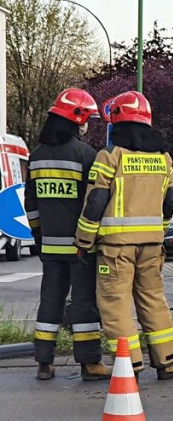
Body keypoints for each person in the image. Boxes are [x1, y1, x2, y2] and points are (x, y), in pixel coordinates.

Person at [74, 91, 173, 379]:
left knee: (116, 303)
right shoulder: (163, 158)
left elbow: (96, 201)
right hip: (152, 246)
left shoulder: (109, 156)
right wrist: (159, 231)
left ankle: (130, 364)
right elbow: (170, 200)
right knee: (153, 300)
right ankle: (167, 361)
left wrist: (83, 241)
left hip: (115, 247)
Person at [23, 89, 109, 382]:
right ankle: (89, 363)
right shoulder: (86, 155)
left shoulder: (36, 157)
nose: (88, 126)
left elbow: (31, 205)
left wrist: (38, 237)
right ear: (77, 119)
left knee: (50, 300)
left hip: (49, 246)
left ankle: (44, 362)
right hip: (80, 247)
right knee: (84, 303)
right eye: (87, 120)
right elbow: (94, 201)